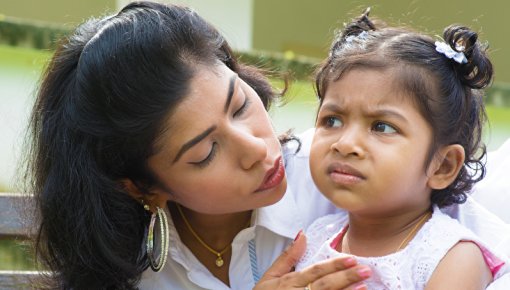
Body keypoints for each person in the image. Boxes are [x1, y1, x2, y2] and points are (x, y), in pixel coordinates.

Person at [23, 1, 510, 289]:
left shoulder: (347, 180)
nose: (258, 147)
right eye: (204, 153)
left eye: (239, 105)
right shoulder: (134, 267)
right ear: (143, 188)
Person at [294, 10, 509, 289]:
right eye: (332, 120)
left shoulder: (452, 256)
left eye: (381, 127)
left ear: (442, 166)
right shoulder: (314, 237)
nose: (345, 144)